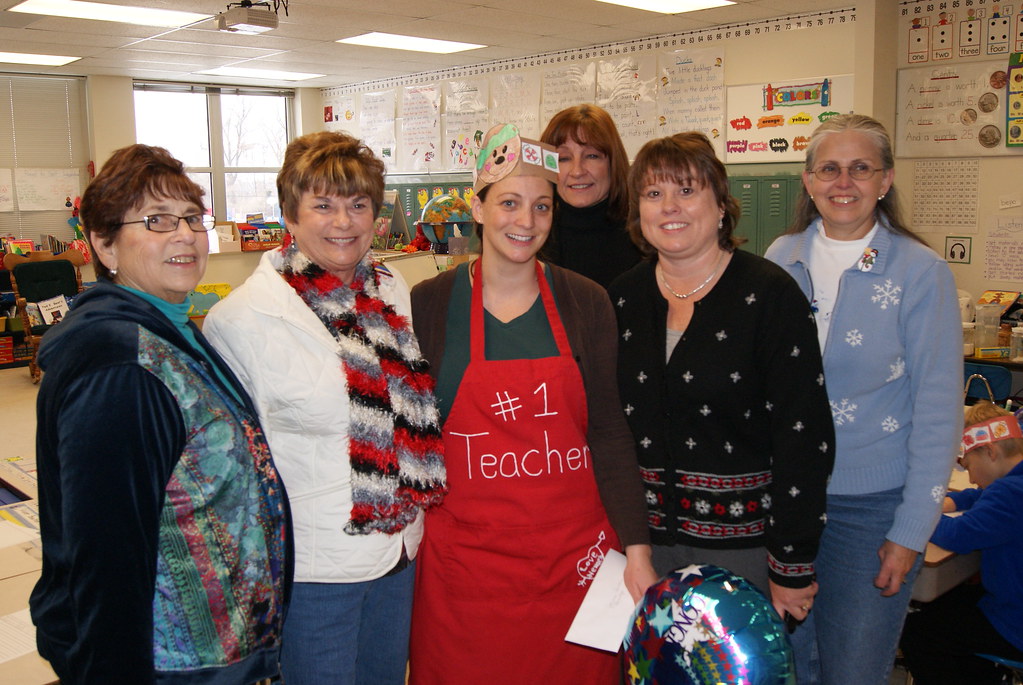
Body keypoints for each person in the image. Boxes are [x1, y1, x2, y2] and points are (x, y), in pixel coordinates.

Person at [30, 144, 290, 684]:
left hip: (218, 652)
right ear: (105, 244)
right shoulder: (120, 366)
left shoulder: (171, 330)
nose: (185, 235)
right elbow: (106, 560)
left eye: (192, 218)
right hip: (170, 665)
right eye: (156, 220)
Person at [408, 123, 657, 684]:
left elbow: (609, 432)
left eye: (541, 207)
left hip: (574, 566)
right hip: (466, 573)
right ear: (477, 207)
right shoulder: (430, 304)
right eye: (509, 203)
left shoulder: (585, 301)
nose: (526, 220)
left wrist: (638, 550)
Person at [203, 131, 446, 685]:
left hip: (400, 550)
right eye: (323, 205)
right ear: (290, 215)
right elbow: (234, 474)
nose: (343, 222)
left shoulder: (391, 288)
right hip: (315, 570)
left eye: (358, 204)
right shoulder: (240, 320)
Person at [764, 113, 963, 684]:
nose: (843, 182)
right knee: (786, 669)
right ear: (808, 181)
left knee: (852, 671)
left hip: (871, 510)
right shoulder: (780, 259)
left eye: (860, 168)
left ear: (885, 180)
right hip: (784, 502)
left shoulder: (919, 271)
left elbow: (938, 414)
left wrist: (910, 532)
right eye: (829, 169)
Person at [609, 132, 834, 626]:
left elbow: (804, 437)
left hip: (743, 554)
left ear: (720, 205)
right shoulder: (622, 299)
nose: (670, 206)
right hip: (639, 553)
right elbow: (608, 430)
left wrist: (791, 564)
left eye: (687, 190)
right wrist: (629, 543)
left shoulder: (770, 295)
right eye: (653, 193)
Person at [900, 403, 1023, 684]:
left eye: (968, 465)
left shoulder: (1009, 494)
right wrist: (952, 502)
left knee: (918, 631)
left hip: (1014, 623)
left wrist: (917, 513)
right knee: (947, 606)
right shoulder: (1014, 484)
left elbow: (956, 535)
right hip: (1012, 605)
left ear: (990, 452)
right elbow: (980, 495)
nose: (970, 477)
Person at [539, 103, 641, 287]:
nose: (577, 171)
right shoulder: (533, 236)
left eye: (592, 156)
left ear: (613, 163)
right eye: (564, 158)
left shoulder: (643, 237)